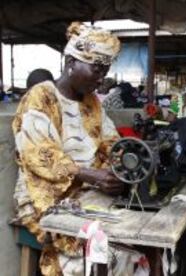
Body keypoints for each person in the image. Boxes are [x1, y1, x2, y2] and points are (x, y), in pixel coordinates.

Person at [12, 22, 125, 275]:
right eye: (96, 69)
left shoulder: (92, 102)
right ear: (71, 62)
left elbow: (109, 140)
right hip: (43, 194)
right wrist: (91, 175)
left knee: (125, 237)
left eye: (104, 71)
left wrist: (123, 161)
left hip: (83, 189)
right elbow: (40, 155)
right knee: (102, 252)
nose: (101, 78)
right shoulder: (41, 96)